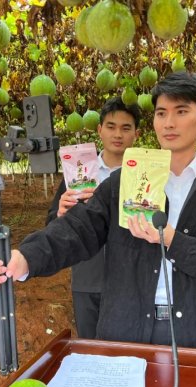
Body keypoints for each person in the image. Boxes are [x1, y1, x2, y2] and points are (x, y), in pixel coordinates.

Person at [0, 72, 196, 350]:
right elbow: (78, 228)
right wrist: (26, 258)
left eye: (181, 111)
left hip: (195, 333)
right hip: (127, 329)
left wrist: (175, 241)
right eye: (161, 113)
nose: (169, 123)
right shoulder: (124, 181)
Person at [46, 97, 141, 339]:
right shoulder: (79, 173)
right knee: (90, 344)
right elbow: (52, 224)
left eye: (126, 128)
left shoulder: (143, 175)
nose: (117, 134)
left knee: (129, 348)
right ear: (99, 130)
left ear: (136, 134)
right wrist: (60, 214)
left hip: (133, 279)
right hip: (88, 276)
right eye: (111, 126)